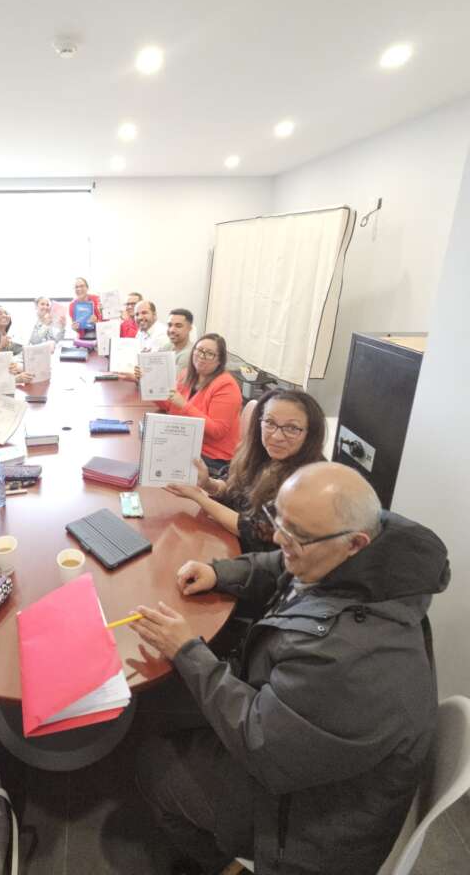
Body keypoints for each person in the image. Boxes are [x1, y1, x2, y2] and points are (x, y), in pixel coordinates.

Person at [134, 462, 450, 875]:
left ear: (354, 543)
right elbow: (285, 567)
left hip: (309, 823)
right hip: (303, 742)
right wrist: (220, 573)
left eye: (296, 534)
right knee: (178, 704)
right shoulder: (357, 555)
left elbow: (262, 746)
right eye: (278, 521)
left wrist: (187, 652)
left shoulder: (352, 659)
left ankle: (222, 864)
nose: (280, 538)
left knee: (153, 763)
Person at [165, 388, 326, 552]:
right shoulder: (260, 453)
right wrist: (208, 483)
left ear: (311, 433)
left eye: (292, 428)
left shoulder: (309, 479)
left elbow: (254, 530)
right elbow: (234, 487)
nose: (277, 436)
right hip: (230, 543)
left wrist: (198, 497)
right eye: (270, 423)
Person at [154, 333, 242, 473]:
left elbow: (217, 431)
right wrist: (148, 384)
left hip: (211, 456)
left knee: (155, 464)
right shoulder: (186, 374)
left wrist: (184, 405)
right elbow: (168, 405)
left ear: (220, 360)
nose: (202, 356)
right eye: (199, 350)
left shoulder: (226, 386)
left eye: (210, 354)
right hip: (184, 443)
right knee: (147, 447)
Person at [160, 308, 195, 374]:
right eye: (170, 325)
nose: (172, 330)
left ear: (189, 328)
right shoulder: (167, 346)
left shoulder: (189, 354)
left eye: (178, 326)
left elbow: (173, 379)